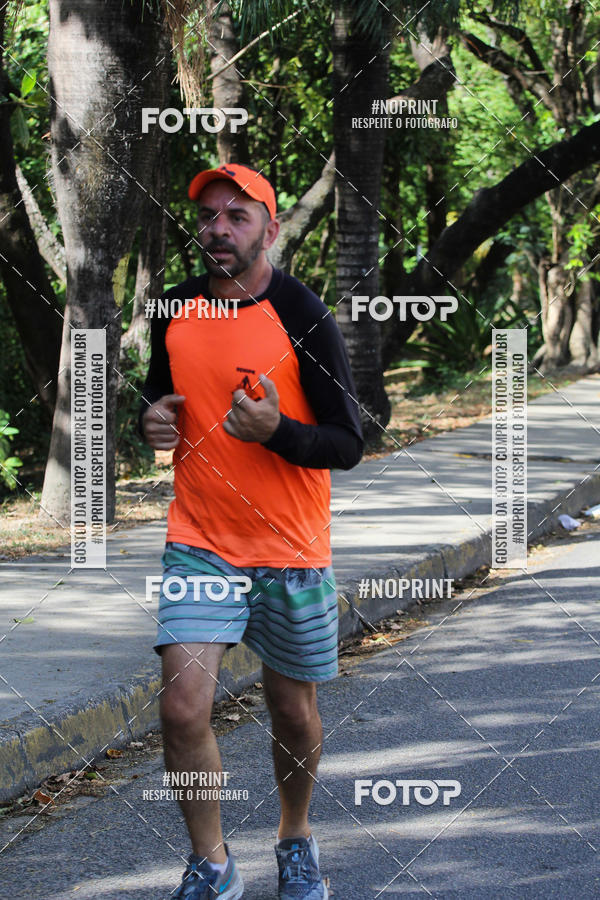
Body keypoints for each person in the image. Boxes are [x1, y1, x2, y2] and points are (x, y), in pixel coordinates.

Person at [140, 162, 363, 900]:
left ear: (269, 227)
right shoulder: (175, 309)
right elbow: (159, 411)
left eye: (238, 216)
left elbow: (347, 442)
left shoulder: (301, 312)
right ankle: (213, 865)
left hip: (290, 545)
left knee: (293, 711)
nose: (219, 229)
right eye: (208, 216)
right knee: (181, 707)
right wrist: (152, 427)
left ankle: (295, 839)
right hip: (200, 537)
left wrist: (277, 433)